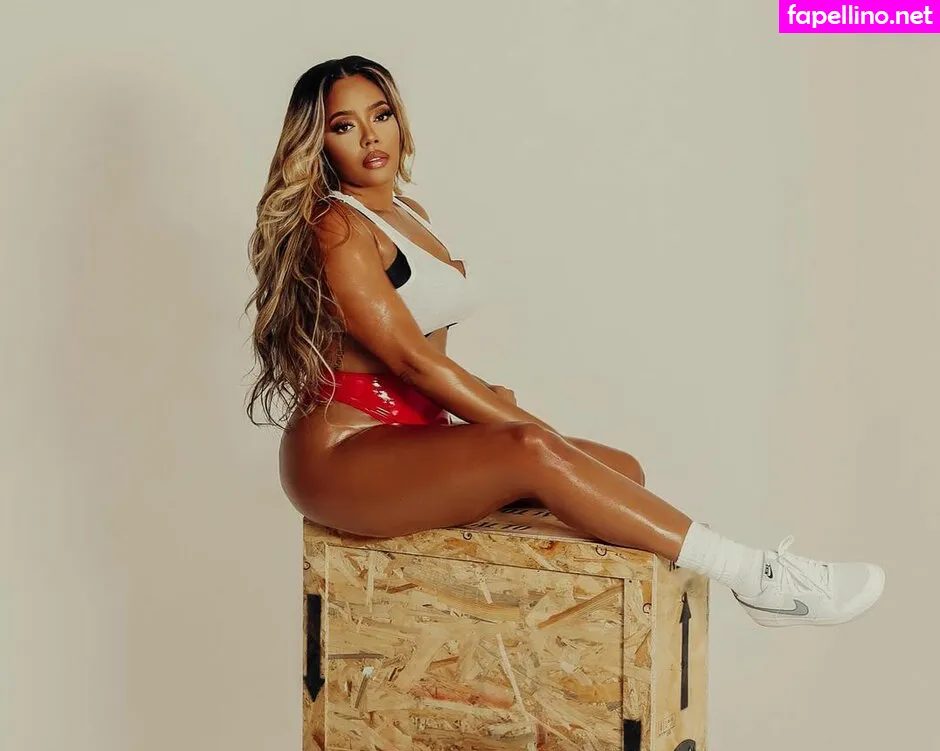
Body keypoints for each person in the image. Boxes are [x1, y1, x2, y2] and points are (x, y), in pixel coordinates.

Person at [244, 55, 885, 628]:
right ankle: (757, 577)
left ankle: (554, 544)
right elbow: (412, 360)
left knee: (619, 471)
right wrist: (532, 434)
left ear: (399, 121)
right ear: (319, 142)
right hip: (345, 452)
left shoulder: (408, 215)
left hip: (412, 432)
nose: (370, 136)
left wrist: (493, 406)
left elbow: (420, 354)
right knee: (536, 450)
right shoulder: (336, 226)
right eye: (344, 125)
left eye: (380, 115)